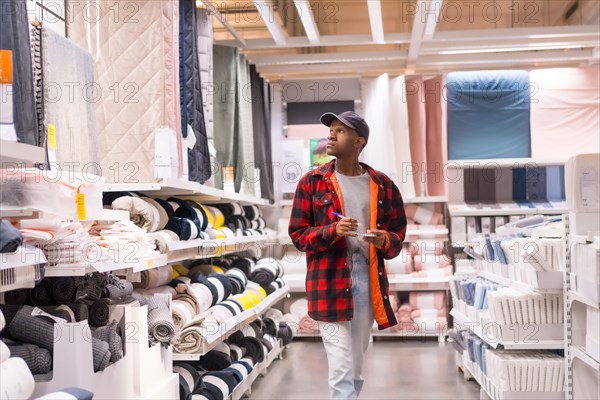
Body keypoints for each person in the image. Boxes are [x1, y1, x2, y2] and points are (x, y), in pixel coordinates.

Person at [288, 111, 407, 399]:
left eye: (340, 131)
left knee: (355, 364)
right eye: (331, 130)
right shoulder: (312, 182)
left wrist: (383, 239)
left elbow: (398, 237)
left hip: (367, 280)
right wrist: (332, 231)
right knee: (340, 366)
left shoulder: (383, 185)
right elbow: (298, 236)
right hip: (328, 281)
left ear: (359, 141)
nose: (331, 134)